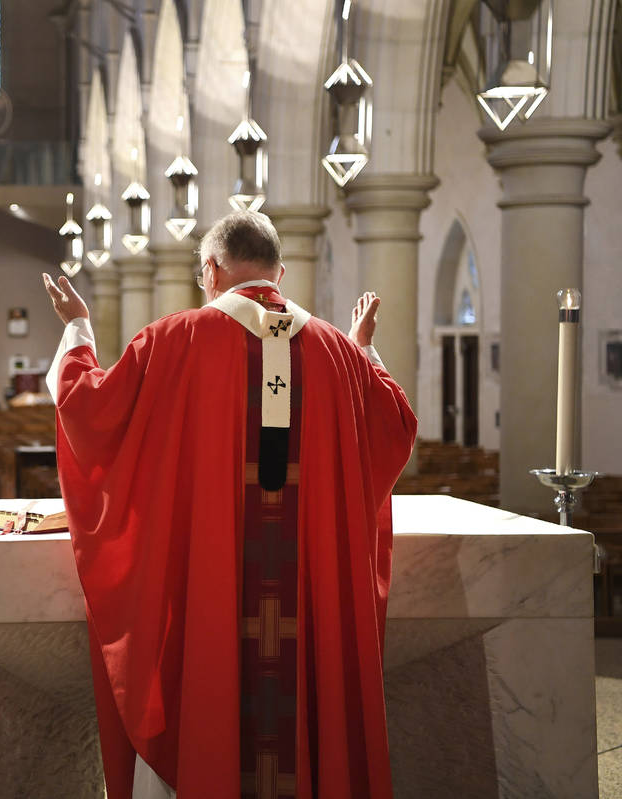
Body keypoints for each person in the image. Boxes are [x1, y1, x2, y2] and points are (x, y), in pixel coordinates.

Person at [42, 211, 417, 799]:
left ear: (211, 271)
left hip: (210, 597)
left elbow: (89, 411)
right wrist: (364, 351)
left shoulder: (173, 338)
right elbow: (395, 426)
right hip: (306, 596)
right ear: (281, 272)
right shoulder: (335, 351)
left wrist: (78, 332)